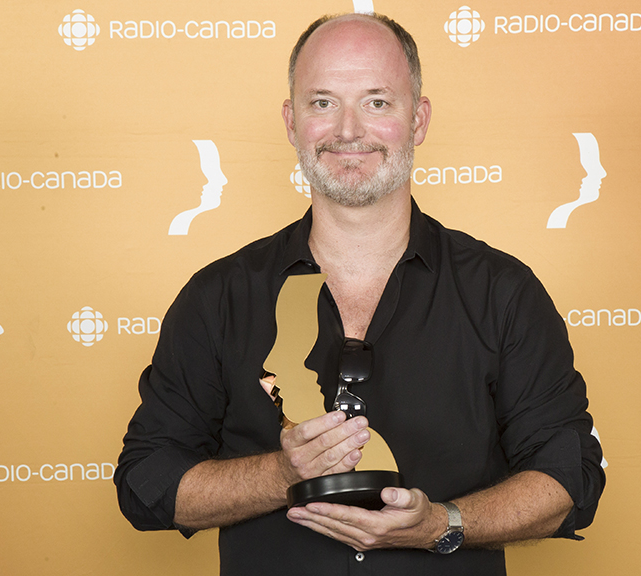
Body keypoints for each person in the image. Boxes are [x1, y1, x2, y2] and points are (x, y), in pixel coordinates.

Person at [115, 12, 605, 576]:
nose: (348, 130)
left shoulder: (503, 293)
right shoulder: (218, 297)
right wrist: (282, 474)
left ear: (418, 119)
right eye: (323, 102)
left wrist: (440, 524)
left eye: (377, 102)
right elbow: (146, 483)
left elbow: (569, 479)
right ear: (292, 121)